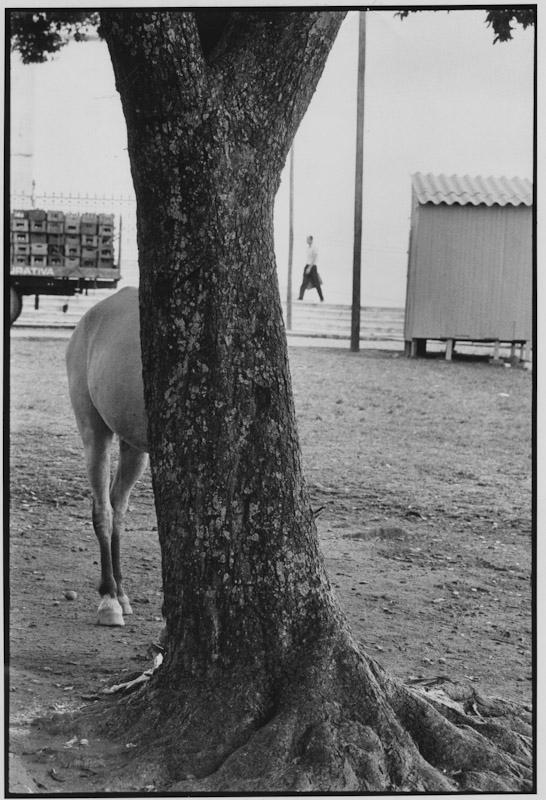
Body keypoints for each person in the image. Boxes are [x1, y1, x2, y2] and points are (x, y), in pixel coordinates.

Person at [298, 235, 324, 301]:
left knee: (317, 283)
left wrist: (309, 268)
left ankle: (321, 298)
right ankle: (300, 297)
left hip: (313, 267)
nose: (307, 241)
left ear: (311, 240)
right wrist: (307, 267)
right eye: (307, 239)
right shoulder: (308, 248)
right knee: (304, 282)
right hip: (307, 265)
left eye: (308, 239)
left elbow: (314, 258)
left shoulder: (314, 247)